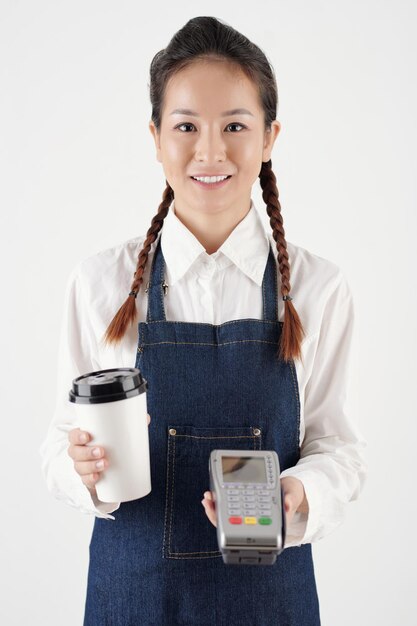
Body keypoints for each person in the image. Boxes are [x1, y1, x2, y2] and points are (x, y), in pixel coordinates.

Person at [39, 15, 368, 626]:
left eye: (235, 126)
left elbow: (336, 448)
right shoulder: (101, 284)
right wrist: (78, 469)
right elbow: (60, 444)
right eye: (186, 125)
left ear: (270, 137)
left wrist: (301, 495)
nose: (210, 151)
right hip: (131, 597)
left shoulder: (318, 290)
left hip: (271, 601)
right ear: (156, 137)